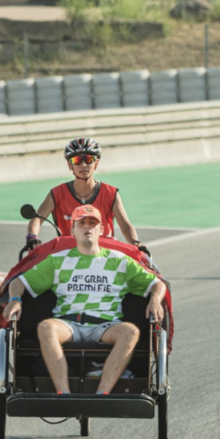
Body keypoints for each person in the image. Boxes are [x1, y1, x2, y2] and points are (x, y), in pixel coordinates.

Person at [3, 205, 166, 395]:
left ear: (101, 230)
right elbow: (19, 282)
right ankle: (63, 394)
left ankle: (102, 394)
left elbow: (157, 283)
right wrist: (15, 299)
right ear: (72, 230)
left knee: (130, 332)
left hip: (106, 325)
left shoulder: (120, 261)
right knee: (46, 327)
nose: (87, 227)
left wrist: (155, 298)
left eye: (92, 223)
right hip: (68, 322)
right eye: (81, 223)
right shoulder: (57, 260)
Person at [25, 137, 146, 252]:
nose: (83, 165)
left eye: (88, 160)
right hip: (68, 256)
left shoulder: (110, 193)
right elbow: (37, 219)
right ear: (70, 165)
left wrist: (134, 242)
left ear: (96, 163)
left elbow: (125, 225)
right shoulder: (57, 194)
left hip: (105, 257)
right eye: (77, 160)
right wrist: (32, 237)